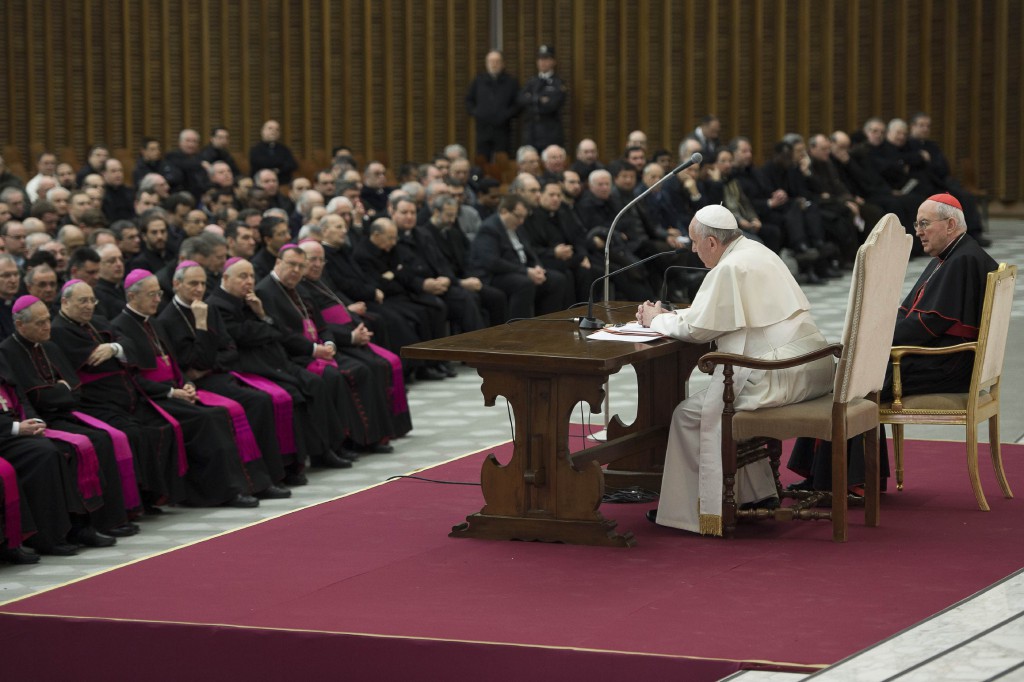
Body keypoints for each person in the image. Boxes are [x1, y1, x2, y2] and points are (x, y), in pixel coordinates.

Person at [637, 205, 835, 536]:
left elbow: (698, 329)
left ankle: (693, 510)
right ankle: (754, 494)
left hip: (779, 372)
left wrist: (655, 319)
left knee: (688, 415)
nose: (692, 249)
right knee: (722, 398)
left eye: (695, 242)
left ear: (713, 242)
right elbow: (717, 315)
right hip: (813, 364)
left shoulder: (728, 268)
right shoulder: (756, 250)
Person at [787, 193, 996, 491]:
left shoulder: (961, 260)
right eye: (917, 224)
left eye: (924, 224)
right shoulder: (955, 254)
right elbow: (911, 312)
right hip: (941, 358)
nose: (919, 231)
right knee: (854, 372)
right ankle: (840, 477)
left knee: (855, 382)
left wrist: (874, 336)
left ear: (950, 224)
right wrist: (875, 329)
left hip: (946, 364)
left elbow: (928, 323)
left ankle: (845, 483)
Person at [465, 50, 520, 161]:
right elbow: (469, 100)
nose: (494, 64)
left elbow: (518, 104)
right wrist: (477, 113)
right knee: (482, 159)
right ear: (486, 63)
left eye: (497, 61)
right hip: (483, 129)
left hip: (503, 129)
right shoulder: (479, 81)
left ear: (503, 63)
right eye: (491, 61)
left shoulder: (511, 82)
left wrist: (506, 115)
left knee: (502, 159)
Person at [518, 45, 568, 150]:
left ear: (553, 61)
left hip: (550, 132)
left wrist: (531, 99)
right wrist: (539, 99)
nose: (542, 62)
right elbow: (521, 100)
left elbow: (552, 105)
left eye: (546, 59)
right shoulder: (531, 82)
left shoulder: (558, 83)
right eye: (540, 59)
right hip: (531, 132)